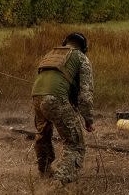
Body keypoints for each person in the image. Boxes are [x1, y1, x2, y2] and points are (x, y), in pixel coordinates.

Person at [31, 32, 94, 185]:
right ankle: (59, 183)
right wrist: (88, 119)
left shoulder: (51, 54)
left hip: (36, 97)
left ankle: (44, 171)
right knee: (74, 144)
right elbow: (85, 94)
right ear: (83, 47)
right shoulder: (81, 57)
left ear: (65, 42)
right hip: (55, 98)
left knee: (43, 136)